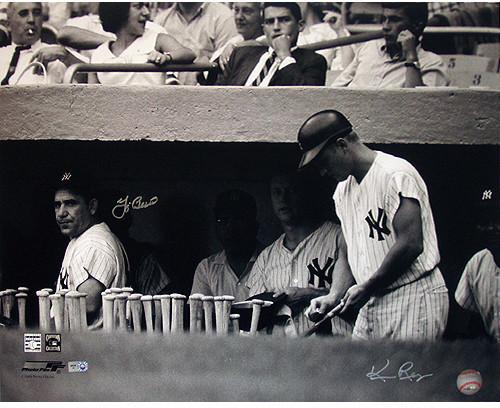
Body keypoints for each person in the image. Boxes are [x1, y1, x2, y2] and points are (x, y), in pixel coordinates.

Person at [301, 110, 449, 340]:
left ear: (341, 145)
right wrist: (334, 294)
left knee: (406, 375)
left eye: (323, 161)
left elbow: (411, 244)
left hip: (413, 295)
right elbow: (350, 249)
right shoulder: (342, 191)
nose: (322, 171)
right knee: (363, 375)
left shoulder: (395, 173)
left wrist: (367, 286)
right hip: (373, 300)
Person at [246, 170, 354, 336]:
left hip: (338, 350)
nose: (283, 198)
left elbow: (364, 299)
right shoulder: (266, 258)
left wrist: (311, 295)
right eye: (277, 192)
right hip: (286, 356)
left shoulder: (340, 237)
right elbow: (254, 319)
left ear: (307, 193)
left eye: (292, 190)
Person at [53, 170, 128, 330]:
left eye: (71, 203)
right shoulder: (81, 238)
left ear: (92, 206)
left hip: (92, 347)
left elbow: (87, 304)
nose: (61, 213)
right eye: (57, 205)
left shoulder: (94, 243)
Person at [332, 2, 449, 88]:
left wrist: (411, 57)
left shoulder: (431, 63)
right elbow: (336, 88)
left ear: (417, 25)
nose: (385, 26)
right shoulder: (369, 48)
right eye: (384, 19)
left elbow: (418, 108)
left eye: (394, 20)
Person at [218, 2, 327, 86]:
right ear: (264, 29)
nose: (276, 27)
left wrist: (285, 56)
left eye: (284, 20)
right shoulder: (241, 54)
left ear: (300, 25)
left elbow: (307, 100)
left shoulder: (314, 61)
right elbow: (217, 95)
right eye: (269, 22)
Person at [89, 2, 196, 85]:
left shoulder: (156, 39)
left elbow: (188, 53)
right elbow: (92, 98)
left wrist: (166, 58)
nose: (146, 12)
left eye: (147, 6)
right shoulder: (99, 54)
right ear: (118, 11)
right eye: (138, 6)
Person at [191, 190, 263, 302]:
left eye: (239, 220)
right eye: (223, 220)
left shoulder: (270, 261)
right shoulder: (207, 268)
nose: (230, 228)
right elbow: (197, 315)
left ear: (255, 226)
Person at [455, 185, 500, 342]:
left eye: (498, 219)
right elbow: (473, 327)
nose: (491, 227)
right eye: (485, 220)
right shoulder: (477, 263)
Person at [154, 2, 238, 85]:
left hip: (207, 91)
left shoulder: (223, 17)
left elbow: (225, 64)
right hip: (168, 92)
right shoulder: (161, 20)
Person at [0, 2, 69, 85]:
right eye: (23, 14)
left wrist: (67, 57)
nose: (31, 20)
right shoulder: (2, 54)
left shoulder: (55, 57)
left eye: (37, 13)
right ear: (8, 24)